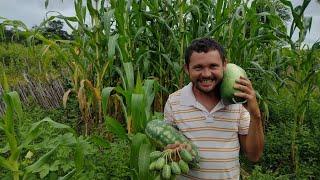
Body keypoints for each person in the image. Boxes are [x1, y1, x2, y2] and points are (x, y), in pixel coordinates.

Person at [164, 37, 264, 179]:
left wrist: (255, 115)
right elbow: (169, 149)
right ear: (187, 69)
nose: (206, 74)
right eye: (198, 67)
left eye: (213, 66)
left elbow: (254, 156)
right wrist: (172, 152)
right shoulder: (174, 101)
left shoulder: (237, 100)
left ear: (224, 65)